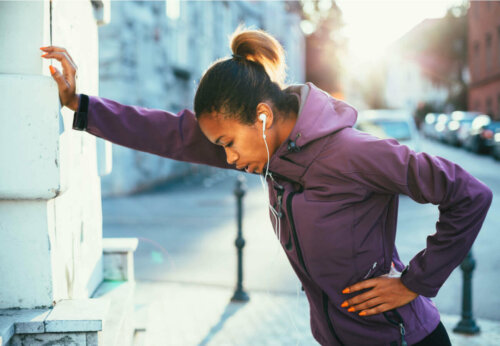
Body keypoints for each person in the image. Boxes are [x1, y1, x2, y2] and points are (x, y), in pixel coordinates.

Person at [40, 27, 492, 346]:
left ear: (262, 116)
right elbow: (170, 133)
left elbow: (469, 193)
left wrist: (414, 281)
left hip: (403, 340)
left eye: (228, 143)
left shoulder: (354, 153)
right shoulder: (271, 153)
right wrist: (81, 105)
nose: (228, 158)